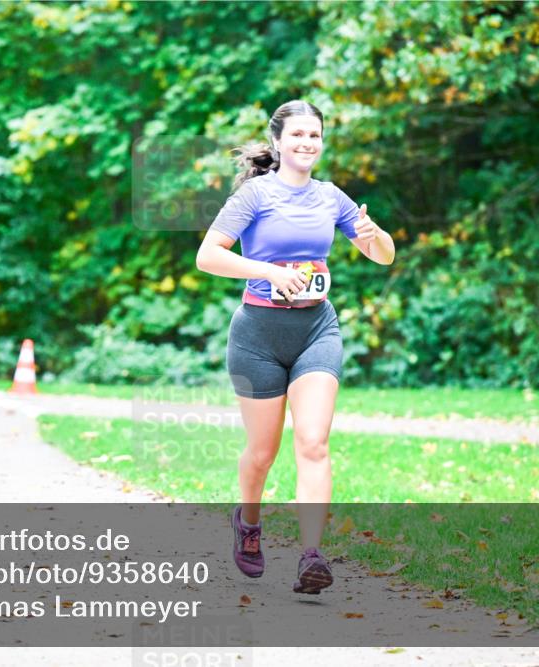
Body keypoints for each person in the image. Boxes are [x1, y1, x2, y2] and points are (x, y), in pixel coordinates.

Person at [195, 100, 396, 594]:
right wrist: (269, 271)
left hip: (315, 331)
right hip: (257, 337)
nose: (307, 143)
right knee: (262, 454)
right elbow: (207, 257)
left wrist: (375, 235)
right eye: (298, 135)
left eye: (315, 135)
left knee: (313, 442)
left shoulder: (331, 197)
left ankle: (311, 555)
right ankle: (248, 522)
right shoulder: (255, 195)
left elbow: (382, 257)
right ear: (279, 141)